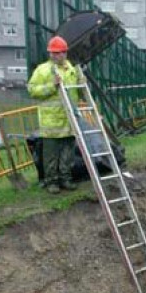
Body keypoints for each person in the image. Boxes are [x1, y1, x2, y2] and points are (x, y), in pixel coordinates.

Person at [27, 36, 87, 194]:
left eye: (59, 53)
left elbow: (76, 93)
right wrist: (51, 86)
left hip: (68, 120)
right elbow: (32, 90)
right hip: (51, 122)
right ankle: (52, 182)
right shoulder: (43, 70)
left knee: (67, 154)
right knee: (51, 155)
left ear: (65, 53)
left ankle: (65, 179)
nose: (56, 56)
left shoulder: (71, 69)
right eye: (53, 53)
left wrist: (82, 84)